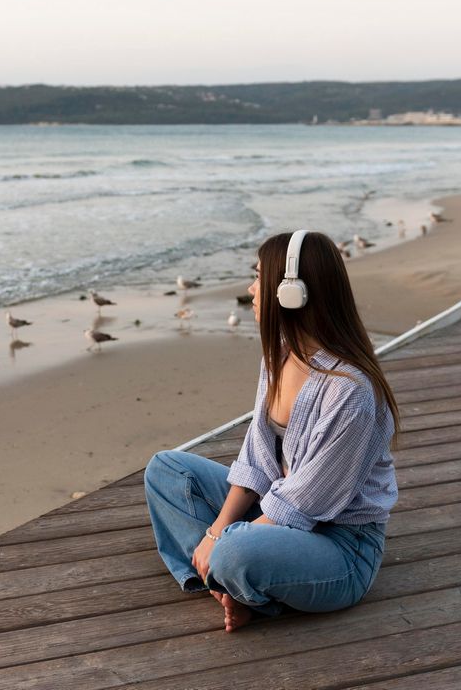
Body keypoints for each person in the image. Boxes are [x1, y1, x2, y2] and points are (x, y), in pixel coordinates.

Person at [144, 230, 399, 632]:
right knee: (166, 471)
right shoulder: (280, 354)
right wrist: (215, 532)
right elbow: (256, 460)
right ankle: (228, 587)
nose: (251, 288)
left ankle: (235, 579)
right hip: (280, 512)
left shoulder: (351, 391)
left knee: (234, 553)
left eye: (260, 275)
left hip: (342, 548)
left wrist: (223, 541)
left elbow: (303, 502)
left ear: (292, 292)